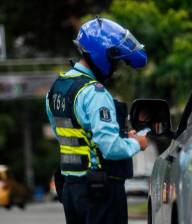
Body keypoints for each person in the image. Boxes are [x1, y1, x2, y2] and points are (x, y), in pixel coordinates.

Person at [45, 17, 148, 224]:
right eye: (115, 61)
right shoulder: (94, 92)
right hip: (99, 191)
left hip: (71, 190)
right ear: (102, 54)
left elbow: (67, 134)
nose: (117, 67)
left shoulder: (57, 88)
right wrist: (137, 143)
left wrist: (119, 137)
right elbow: (110, 148)